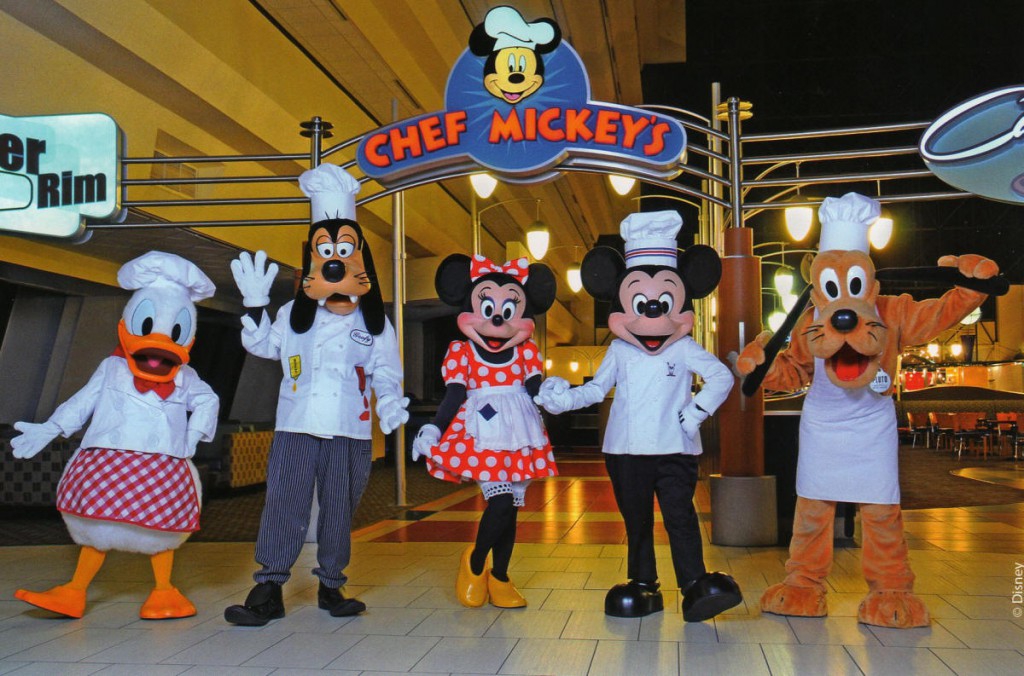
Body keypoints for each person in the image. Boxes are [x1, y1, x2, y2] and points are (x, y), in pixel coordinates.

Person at [224, 164, 408, 625]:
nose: (335, 260)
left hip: (351, 429)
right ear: (313, 259)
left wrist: (389, 400)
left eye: (344, 250)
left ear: (359, 259)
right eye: (326, 251)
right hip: (296, 425)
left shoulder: (374, 321)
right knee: (284, 503)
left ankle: (331, 584)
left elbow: (386, 370)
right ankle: (268, 588)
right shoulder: (292, 313)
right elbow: (264, 347)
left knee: (339, 509)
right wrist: (255, 305)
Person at [413, 253, 557, 608]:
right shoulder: (461, 352)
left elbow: (536, 389)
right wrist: (434, 429)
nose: (497, 318)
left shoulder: (526, 352)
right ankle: (476, 563)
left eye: (508, 310)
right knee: (502, 501)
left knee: (511, 509)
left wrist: (557, 395)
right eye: (489, 308)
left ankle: (501, 577)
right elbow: (454, 394)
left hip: (521, 431)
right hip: (481, 432)